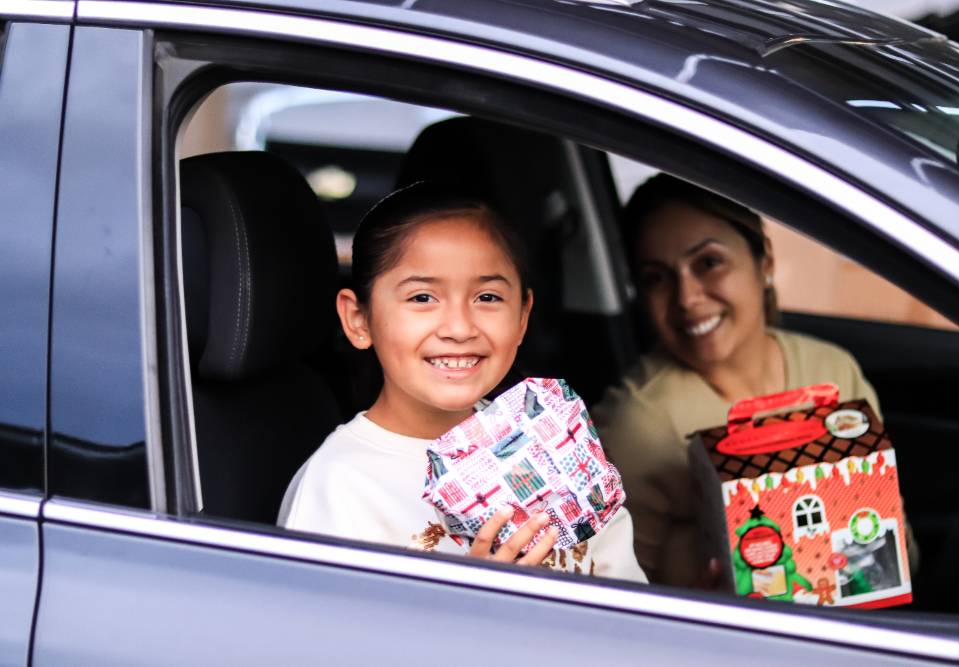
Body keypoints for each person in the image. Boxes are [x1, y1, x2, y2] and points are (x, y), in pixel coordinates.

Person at [280, 182, 646, 582]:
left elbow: (630, 597)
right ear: (358, 319)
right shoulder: (341, 484)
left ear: (522, 317)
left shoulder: (555, 441)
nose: (458, 328)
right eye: (422, 298)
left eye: (487, 297)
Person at [591, 173, 916, 587]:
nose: (686, 298)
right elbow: (619, 595)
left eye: (708, 263)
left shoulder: (831, 370)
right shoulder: (638, 424)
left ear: (764, 262)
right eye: (657, 277)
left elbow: (895, 543)